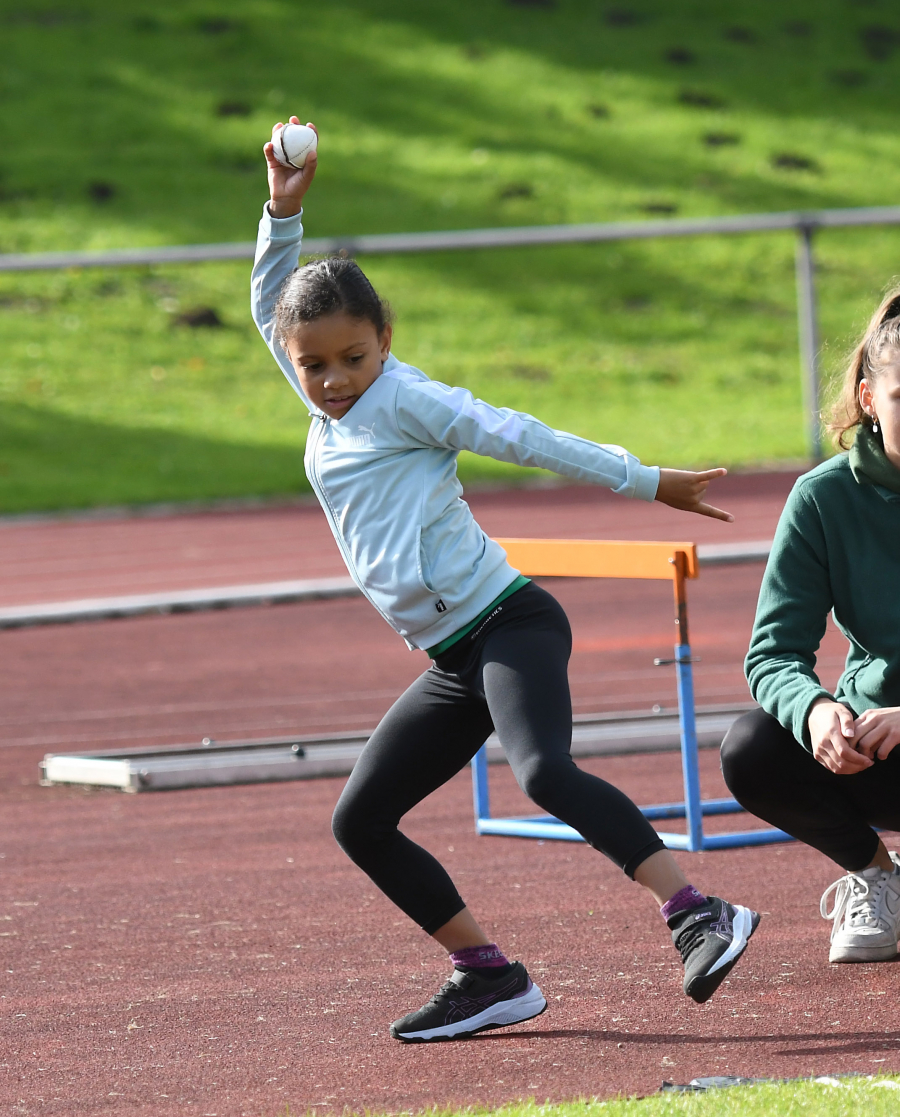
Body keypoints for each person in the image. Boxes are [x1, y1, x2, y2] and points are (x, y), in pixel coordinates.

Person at [252, 118, 760, 1042]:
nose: (333, 380)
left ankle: (699, 913)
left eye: (353, 358)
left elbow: (522, 436)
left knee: (543, 771)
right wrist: (282, 213)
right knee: (360, 820)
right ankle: (488, 974)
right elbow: (266, 304)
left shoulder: (408, 399)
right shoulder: (324, 401)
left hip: (510, 621)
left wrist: (648, 480)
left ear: (385, 339)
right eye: (313, 365)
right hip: (453, 656)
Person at [721, 288, 900, 965]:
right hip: (880, 749)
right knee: (752, 748)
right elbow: (773, 654)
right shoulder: (822, 498)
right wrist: (817, 710)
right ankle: (877, 876)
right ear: (868, 399)